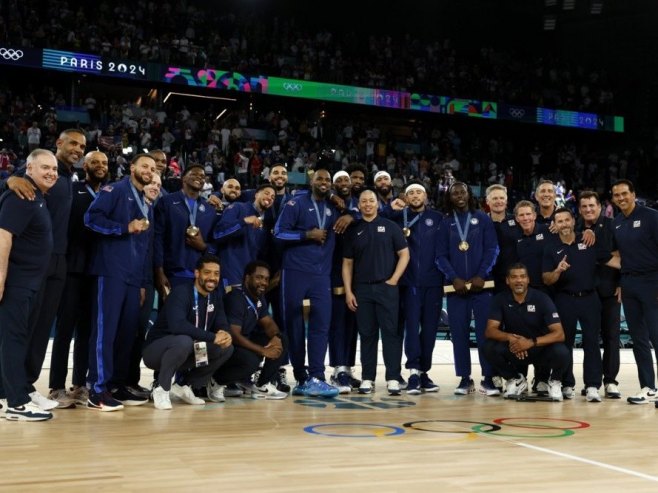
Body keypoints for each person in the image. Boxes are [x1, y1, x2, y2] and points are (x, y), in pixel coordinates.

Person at [4, 129, 86, 410]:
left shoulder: (72, 179)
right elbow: (15, 184)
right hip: (32, 261)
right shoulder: (38, 171)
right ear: (59, 143)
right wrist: (9, 179)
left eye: (82, 145)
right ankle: (12, 390)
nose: (78, 148)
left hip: (59, 261)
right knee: (22, 327)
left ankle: (26, 386)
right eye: (73, 143)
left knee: (40, 329)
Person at [84, 153, 156, 411]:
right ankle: (97, 389)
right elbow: (91, 219)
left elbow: (144, 247)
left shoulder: (146, 202)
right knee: (105, 332)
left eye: (153, 168)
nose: (149, 170)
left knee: (127, 333)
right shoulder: (115, 189)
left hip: (133, 278)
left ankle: (115, 385)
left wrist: (140, 283)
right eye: (144, 166)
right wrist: (124, 227)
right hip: (111, 271)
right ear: (132, 167)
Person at [273, 169, 343, 397]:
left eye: (327, 179)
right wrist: (306, 235)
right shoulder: (296, 204)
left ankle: (317, 376)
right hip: (295, 271)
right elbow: (278, 233)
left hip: (322, 274)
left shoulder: (334, 207)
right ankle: (301, 378)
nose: (324, 182)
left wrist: (350, 215)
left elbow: (358, 213)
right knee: (293, 324)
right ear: (311, 181)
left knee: (321, 325)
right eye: (320, 178)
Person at [0, 149, 58, 421]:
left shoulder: (37, 197)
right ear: (29, 169)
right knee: (13, 340)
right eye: (45, 167)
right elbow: (3, 238)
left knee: (14, 340)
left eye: (54, 169)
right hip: (16, 283)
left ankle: (6, 395)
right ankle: (16, 404)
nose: (51, 173)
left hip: (29, 283)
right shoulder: (21, 195)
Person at [48, 151, 109, 406]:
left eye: (104, 162)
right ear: (85, 166)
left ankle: (80, 385)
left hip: (97, 270)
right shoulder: (72, 189)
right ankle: (56, 387)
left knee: (87, 330)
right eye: (94, 161)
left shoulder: (111, 193)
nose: (100, 166)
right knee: (65, 329)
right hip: (72, 267)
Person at [542, 207, 620, 402]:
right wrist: (558, 271)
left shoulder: (588, 240)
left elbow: (612, 260)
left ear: (572, 220)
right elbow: (546, 279)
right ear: (555, 225)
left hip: (590, 298)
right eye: (559, 221)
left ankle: (592, 385)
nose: (564, 224)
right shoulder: (550, 247)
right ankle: (567, 383)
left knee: (592, 343)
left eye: (567, 220)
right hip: (564, 298)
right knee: (564, 343)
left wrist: (642, 268)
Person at [142, 254, 233, 410]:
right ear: (197, 273)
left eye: (216, 274)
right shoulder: (181, 293)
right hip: (156, 352)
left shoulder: (215, 297)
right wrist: (212, 337)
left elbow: (222, 323)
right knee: (184, 340)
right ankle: (162, 389)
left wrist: (225, 335)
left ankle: (184, 386)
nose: (212, 277)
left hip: (188, 352)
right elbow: (178, 326)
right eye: (207, 272)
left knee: (225, 348)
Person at [342, 190, 410, 395]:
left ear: (377, 204)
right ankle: (367, 378)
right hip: (362, 289)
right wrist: (348, 291)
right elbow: (347, 263)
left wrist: (394, 280)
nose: (368, 204)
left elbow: (404, 254)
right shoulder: (353, 229)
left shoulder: (391, 227)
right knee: (367, 335)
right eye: (364, 201)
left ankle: (392, 378)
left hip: (386, 288)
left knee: (391, 334)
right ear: (359, 205)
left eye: (371, 200)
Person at [436, 182, 499, 396]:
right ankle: (464, 378)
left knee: (485, 334)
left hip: (482, 287)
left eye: (462, 192)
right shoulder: (445, 223)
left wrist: (481, 274)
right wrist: (453, 278)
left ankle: (488, 378)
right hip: (457, 290)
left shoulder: (482, 218)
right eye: (455, 193)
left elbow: (492, 249)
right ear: (450, 197)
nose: (459, 196)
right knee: (459, 334)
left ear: (469, 194)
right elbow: (440, 255)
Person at [484, 263, 570, 401]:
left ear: (528, 280)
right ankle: (515, 379)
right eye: (514, 277)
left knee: (562, 351)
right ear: (507, 281)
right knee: (488, 347)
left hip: (539, 349)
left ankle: (555, 381)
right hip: (515, 348)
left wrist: (530, 343)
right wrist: (510, 338)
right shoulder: (500, 299)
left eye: (523, 277)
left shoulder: (542, 299)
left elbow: (559, 334)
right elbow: (490, 330)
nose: (519, 280)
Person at [389, 183, 443, 394]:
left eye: (419, 191)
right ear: (405, 197)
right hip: (409, 281)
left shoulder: (438, 218)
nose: (415, 195)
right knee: (411, 328)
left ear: (426, 196)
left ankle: (423, 372)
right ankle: (412, 371)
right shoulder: (396, 217)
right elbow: (376, 218)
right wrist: (390, 208)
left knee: (429, 330)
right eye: (410, 192)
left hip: (433, 282)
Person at [211, 261, 288, 400]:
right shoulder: (236, 298)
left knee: (282, 339)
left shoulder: (259, 298)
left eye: (266, 279)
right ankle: (215, 381)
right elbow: (234, 335)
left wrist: (276, 337)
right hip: (224, 346)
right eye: (258, 277)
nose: (263, 282)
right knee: (251, 361)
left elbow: (268, 322)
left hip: (241, 342)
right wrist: (262, 350)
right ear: (247, 278)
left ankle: (261, 384)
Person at [611, 179, 658, 404]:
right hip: (629, 284)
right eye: (616, 195)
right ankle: (648, 387)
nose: (621, 198)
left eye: (624, 194)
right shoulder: (617, 222)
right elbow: (618, 255)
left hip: (652, 282)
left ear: (633, 194)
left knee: (657, 336)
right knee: (638, 338)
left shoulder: (651, 216)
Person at [577, 191, 622, 398]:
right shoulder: (575, 227)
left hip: (611, 289)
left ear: (600, 207)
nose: (588, 209)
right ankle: (591, 382)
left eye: (592, 206)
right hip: (586, 292)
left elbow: (623, 255)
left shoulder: (613, 225)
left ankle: (611, 381)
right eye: (584, 206)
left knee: (611, 337)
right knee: (590, 340)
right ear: (579, 209)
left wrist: (622, 284)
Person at [154, 164, 218, 298]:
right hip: (172, 274)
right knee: (170, 317)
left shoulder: (209, 210)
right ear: (183, 178)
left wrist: (204, 247)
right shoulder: (166, 202)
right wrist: (159, 271)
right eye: (194, 174)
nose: (199, 178)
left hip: (199, 276)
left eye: (202, 176)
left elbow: (215, 243)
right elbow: (157, 238)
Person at [328, 171, 361, 392]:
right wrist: (331, 196)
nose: (343, 183)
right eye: (338, 180)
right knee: (338, 321)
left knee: (353, 323)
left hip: (359, 271)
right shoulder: (328, 204)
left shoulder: (359, 204)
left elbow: (370, 212)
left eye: (345, 180)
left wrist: (350, 214)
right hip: (334, 269)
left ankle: (347, 367)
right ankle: (337, 368)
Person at [213, 184, 275, 289]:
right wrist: (244, 221)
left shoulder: (264, 225)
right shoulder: (238, 207)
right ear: (256, 194)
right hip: (230, 275)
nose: (269, 198)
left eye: (273, 197)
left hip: (248, 279)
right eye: (267, 193)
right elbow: (218, 234)